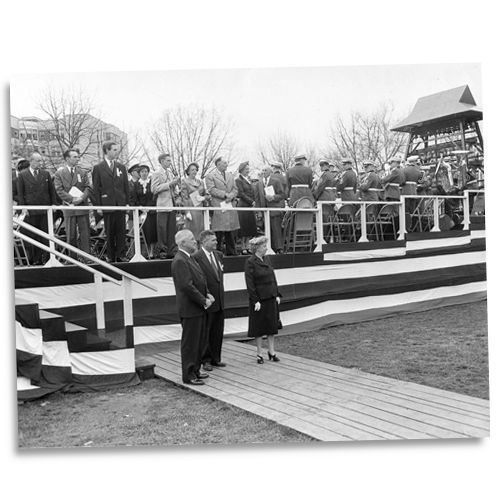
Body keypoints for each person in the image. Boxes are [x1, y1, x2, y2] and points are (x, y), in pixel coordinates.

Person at [171, 229, 215, 385]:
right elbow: (187, 286)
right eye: (191, 239)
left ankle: (195, 369)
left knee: (198, 341)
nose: (195, 241)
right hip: (190, 309)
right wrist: (203, 300)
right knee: (190, 343)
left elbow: (199, 280)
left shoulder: (188, 258)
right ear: (183, 243)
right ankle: (189, 374)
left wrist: (207, 293)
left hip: (197, 308)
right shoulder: (180, 260)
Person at [192, 230, 227, 371]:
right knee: (206, 331)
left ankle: (215, 358)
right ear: (204, 242)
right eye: (213, 240)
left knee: (217, 331)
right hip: (207, 300)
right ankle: (205, 359)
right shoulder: (196, 257)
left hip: (219, 300)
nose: (216, 243)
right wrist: (205, 297)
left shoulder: (218, 255)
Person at [244, 236, 282, 364]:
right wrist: (255, 300)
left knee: (271, 325)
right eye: (264, 246)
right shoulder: (250, 262)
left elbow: (273, 277)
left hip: (270, 296)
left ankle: (271, 351)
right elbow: (250, 283)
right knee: (259, 326)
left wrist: (277, 294)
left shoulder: (267, 259)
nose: (266, 248)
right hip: (259, 300)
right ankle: (259, 353)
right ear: (258, 248)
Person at [92, 141, 131, 263]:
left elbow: (126, 186)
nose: (116, 152)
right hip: (107, 202)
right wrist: (98, 205)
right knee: (109, 231)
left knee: (121, 230)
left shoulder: (121, 167)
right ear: (107, 151)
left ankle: (121, 254)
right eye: (114, 149)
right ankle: (110, 255)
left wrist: (127, 203)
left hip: (120, 203)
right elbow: (96, 188)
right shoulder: (98, 168)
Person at [17, 152, 58, 265]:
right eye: (38, 160)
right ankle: (36, 259)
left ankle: (48, 257)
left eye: (41, 160)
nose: (40, 163)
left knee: (46, 234)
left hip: (44, 208)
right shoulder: (23, 175)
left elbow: (51, 191)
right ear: (31, 161)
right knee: (33, 235)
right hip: (31, 209)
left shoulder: (45, 174)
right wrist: (23, 207)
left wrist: (54, 204)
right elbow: (21, 193)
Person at [54, 149, 92, 263]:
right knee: (71, 234)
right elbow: (59, 190)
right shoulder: (59, 173)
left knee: (85, 233)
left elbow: (88, 187)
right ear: (67, 159)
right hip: (69, 206)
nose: (77, 159)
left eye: (78, 157)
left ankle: (87, 257)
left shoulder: (83, 172)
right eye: (75, 157)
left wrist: (81, 198)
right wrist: (71, 199)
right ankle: (72, 258)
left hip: (82, 206)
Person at [205, 157, 240, 255]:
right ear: (218, 164)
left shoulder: (230, 175)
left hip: (229, 205)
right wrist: (225, 194)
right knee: (218, 231)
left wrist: (231, 196)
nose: (226, 165)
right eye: (224, 163)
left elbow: (235, 188)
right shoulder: (210, 176)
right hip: (218, 206)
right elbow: (211, 189)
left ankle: (231, 252)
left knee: (230, 230)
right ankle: (217, 252)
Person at [151, 153, 180, 259]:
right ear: (162, 161)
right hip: (162, 204)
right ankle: (163, 250)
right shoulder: (156, 173)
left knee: (172, 228)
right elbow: (154, 189)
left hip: (171, 203)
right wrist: (168, 184)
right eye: (168, 160)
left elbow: (171, 188)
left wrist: (175, 186)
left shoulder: (170, 173)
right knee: (162, 228)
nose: (170, 162)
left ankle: (171, 250)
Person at [255, 165, 286, 253]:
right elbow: (257, 199)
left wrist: (273, 197)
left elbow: (282, 194)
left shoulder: (276, 181)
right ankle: (271, 248)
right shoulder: (259, 184)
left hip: (274, 210)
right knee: (268, 231)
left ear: (270, 172)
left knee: (276, 230)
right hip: (264, 211)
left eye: (265, 170)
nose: (263, 172)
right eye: (262, 170)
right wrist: (259, 211)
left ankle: (280, 248)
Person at [130, 165, 158, 259]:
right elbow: (134, 197)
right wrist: (141, 207)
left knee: (152, 230)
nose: (144, 173)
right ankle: (144, 251)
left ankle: (152, 251)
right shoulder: (136, 184)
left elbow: (154, 195)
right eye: (142, 172)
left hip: (151, 210)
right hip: (140, 211)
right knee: (144, 230)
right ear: (139, 173)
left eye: (146, 171)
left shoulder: (152, 183)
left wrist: (149, 207)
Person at [180, 162, 210, 243]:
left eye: (196, 170)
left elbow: (207, 194)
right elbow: (184, 197)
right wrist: (187, 211)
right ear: (188, 171)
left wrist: (203, 198)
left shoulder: (200, 182)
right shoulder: (184, 182)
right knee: (192, 231)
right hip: (191, 208)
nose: (194, 171)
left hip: (200, 209)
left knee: (201, 230)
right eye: (192, 170)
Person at [235, 161, 258, 254]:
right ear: (242, 170)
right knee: (243, 227)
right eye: (246, 169)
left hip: (250, 206)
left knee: (250, 227)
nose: (248, 171)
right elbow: (241, 193)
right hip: (244, 206)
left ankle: (248, 245)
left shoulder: (249, 180)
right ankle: (242, 246)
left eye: (248, 169)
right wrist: (251, 201)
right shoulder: (238, 180)